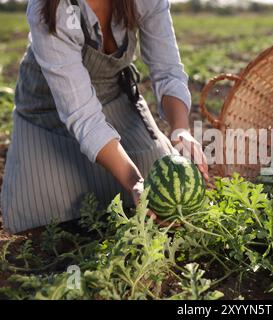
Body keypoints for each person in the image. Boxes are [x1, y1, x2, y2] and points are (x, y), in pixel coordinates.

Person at [0, 0, 208, 234]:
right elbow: (82, 115)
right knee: (44, 209)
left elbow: (167, 70)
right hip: (48, 110)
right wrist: (134, 181)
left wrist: (181, 131)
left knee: (157, 179)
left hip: (113, 97)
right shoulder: (48, 7)